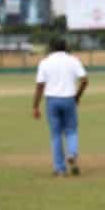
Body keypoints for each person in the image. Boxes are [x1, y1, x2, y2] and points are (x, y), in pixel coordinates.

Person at [32, 37, 88, 176]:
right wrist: (77, 96)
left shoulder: (45, 62)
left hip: (52, 100)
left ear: (51, 47)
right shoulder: (73, 60)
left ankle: (60, 168)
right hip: (69, 99)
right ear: (66, 46)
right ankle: (72, 154)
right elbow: (84, 80)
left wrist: (35, 106)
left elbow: (40, 86)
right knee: (71, 131)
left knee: (56, 135)